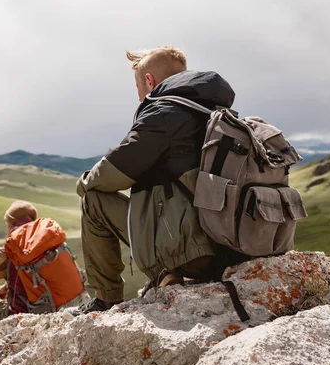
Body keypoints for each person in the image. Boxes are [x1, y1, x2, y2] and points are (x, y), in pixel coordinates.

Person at [72, 46, 236, 314]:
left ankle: (106, 299)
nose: (138, 96)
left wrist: (83, 184)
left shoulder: (163, 115)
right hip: (227, 245)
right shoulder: (212, 111)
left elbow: (112, 171)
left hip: (195, 253)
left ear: (149, 81)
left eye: (138, 86)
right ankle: (165, 272)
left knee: (93, 200)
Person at [0, 200, 88, 349]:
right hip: (71, 304)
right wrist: (7, 286)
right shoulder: (48, 240)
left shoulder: (11, 248)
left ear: (11, 223)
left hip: (24, 317)